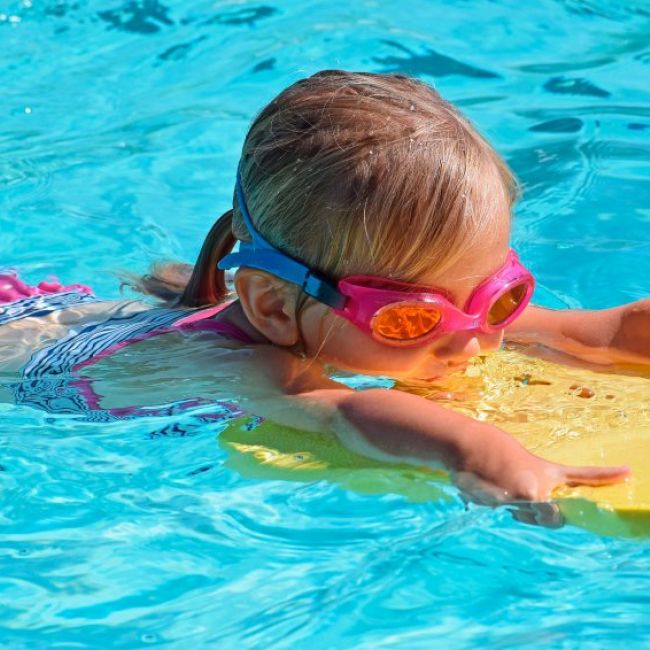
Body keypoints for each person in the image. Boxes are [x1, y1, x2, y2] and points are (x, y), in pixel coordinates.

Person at [2, 70, 648, 503]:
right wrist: (479, 449)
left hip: (74, 318)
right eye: (410, 321)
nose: (473, 342)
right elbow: (339, 412)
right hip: (26, 366)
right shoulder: (245, 364)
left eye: (497, 296)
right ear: (274, 308)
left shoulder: (413, 321)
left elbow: (594, 330)